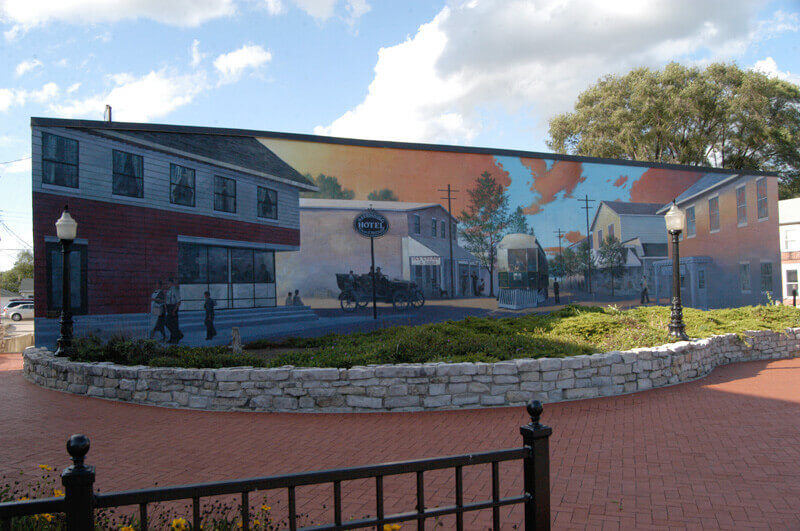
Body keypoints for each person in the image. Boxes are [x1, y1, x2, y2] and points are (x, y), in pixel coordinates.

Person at [164, 276, 183, 344]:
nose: (166, 284)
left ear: (170, 283)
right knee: (168, 323)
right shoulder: (168, 290)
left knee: (173, 324)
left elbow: (178, 301)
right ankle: (176, 336)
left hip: (173, 307)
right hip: (169, 307)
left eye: (167, 283)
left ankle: (175, 338)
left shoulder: (175, 289)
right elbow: (166, 300)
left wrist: (174, 310)